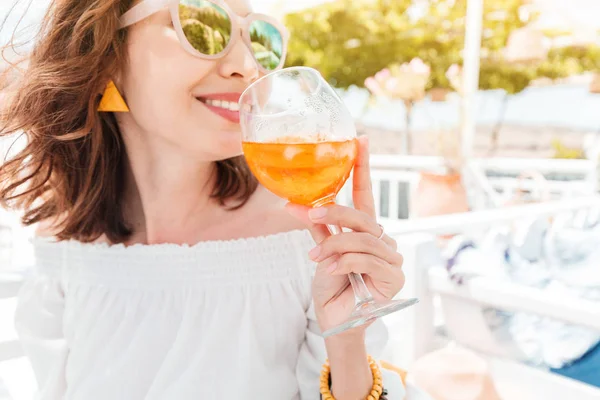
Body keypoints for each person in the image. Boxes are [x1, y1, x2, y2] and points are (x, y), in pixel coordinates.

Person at [0, 0, 412, 398]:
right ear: (106, 53)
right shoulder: (65, 246)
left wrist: (345, 338)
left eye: (261, 39)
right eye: (202, 25)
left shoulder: (303, 235)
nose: (248, 66)